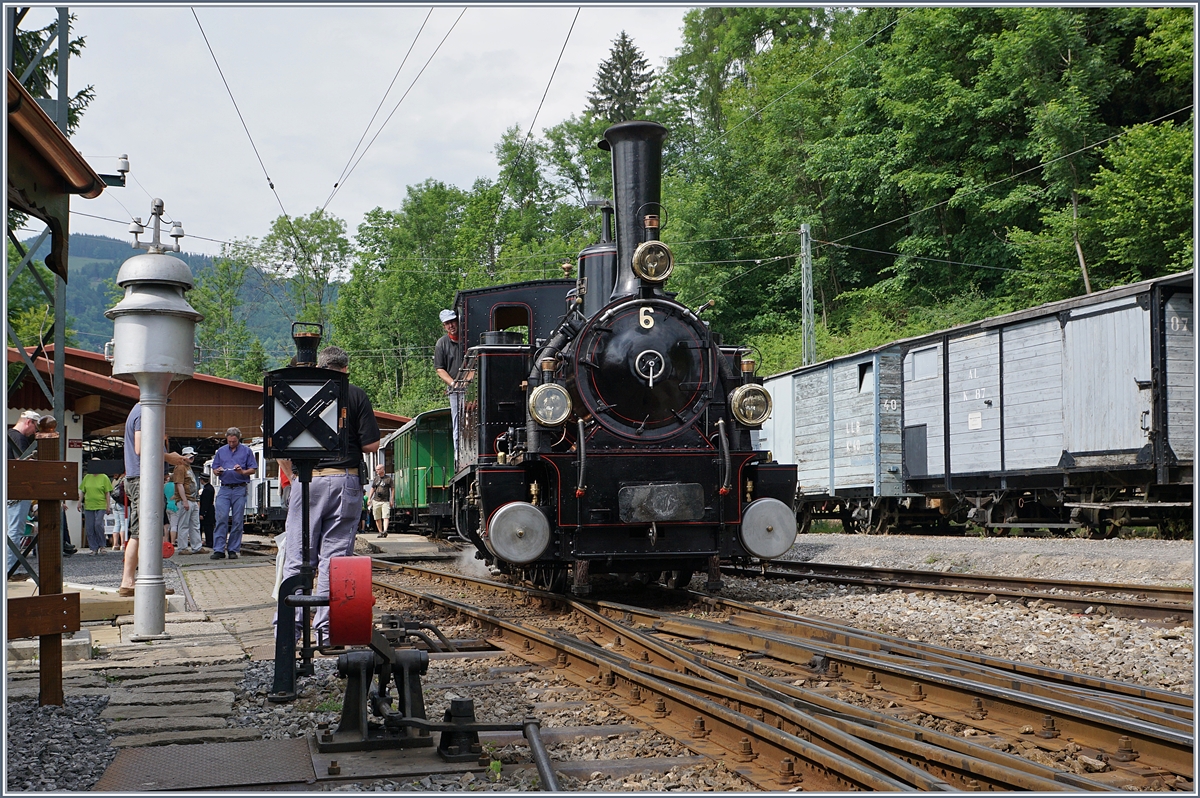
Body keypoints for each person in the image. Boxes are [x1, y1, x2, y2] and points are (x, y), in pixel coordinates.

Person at [278, 345, 380, 644]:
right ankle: (325, 632)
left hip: (307, 481)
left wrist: (293, 474)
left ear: (319, 367)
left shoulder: (296, 392)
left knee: (297, 557)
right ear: (345, 369)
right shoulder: (356, 394)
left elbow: (279, 446)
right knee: (334, 560)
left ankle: (288, 630)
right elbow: (371, 446)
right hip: (344, 481)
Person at [118, 402, 187, 597]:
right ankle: (140, 581)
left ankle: (134, 580)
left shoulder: (138, 410)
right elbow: (141, 448)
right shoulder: (143, 412)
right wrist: (168, 457)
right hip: (143, 479)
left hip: (140, 478)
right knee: (144, 531)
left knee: (139, 531)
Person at [210, 427, 257, 560]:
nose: (231, 444)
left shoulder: (247, 451)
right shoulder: (221, 451)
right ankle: (219, 549)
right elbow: (214, 467)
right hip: (224, 488)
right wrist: (217, 471)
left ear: (238, 439)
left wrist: (242, 472)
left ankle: (233, 550)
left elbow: (253, 469)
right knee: (221, 518)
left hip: (239, 488)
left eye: (234, 441)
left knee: (237, 520)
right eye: (229, 441)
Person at [6, 411, 40, 578]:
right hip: (18, 492)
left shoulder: (7, 435)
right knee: (15, 531)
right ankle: (11, 570)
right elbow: (23, 465)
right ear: (29, 422)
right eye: (35, 426)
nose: (34, 432)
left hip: (7, 490)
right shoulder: (19, 439)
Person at [433, 309, 463, 457]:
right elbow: (439, 369)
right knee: (457, 423)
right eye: (447, 323)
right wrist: (454, 384)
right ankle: (458, 456)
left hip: (474, 386)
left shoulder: (468, 338)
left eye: (452, 321)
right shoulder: (441, 344)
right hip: (456, 390)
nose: (451, 325)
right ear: (444, 326)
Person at [169, 447, 203, 554]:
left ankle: (196, 546)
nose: (192, 457)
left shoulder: (187, 467)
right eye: (190, 455)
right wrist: (184, 500)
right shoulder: (180, 467)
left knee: (194, 524)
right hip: (186, 499)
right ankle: (183, 547)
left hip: (191, 499)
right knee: (184, 524)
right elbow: (179, 484)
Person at [77, 458, 113, 555]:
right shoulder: (87, 477)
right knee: (89, 527)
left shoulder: (104, 477)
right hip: (89, 505)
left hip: (101, 505)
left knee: (98, 524)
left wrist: (108, 506)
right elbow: (83, 491)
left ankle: (102, 545)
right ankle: (93, 548)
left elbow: (107, 493)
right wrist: (79, 502)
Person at [368, 464, 394, 537]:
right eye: (376, 469)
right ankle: (380, 532)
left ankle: (385, 530)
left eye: (378, 469)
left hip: (385, 501)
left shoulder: (388, 479)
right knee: (377, 517)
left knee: (386, 516)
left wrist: (392, 499)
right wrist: (369, 498)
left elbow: (392, 489)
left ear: (383, 469)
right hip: (376, 500)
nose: (377, 471)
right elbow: (372, 489)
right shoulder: (376, 479)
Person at [198, 473, 215, 549]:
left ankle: (209, 542)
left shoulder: (206, 490)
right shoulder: (210, 488)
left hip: (207, 512)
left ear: (202, 480)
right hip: (210, 510)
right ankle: (209, 541)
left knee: (207, 527)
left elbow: (205, 503)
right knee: (209, 527)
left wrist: (202, 513)